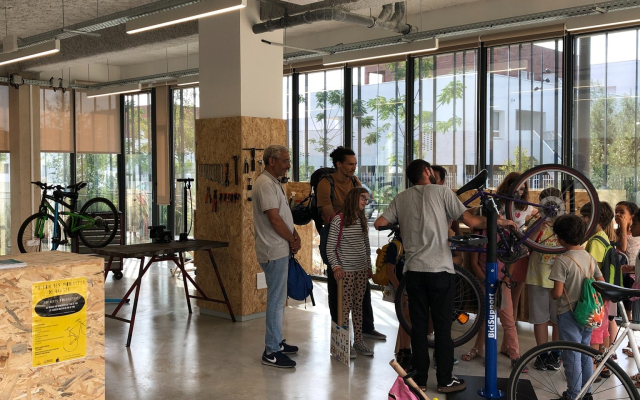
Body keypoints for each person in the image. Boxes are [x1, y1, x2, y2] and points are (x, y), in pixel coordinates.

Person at [374, 159, 516, 393]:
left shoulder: (402, 197)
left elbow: (379, 223)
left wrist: (404, 224)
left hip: (414, 272)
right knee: (441, 328)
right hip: (440, 270)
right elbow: (471, 221)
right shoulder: (442, 192)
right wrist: (498, 221)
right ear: (427, 171)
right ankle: (445, 380)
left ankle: (419, 379)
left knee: (418, 327)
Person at [317, 146, 386, 341]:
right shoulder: (325, 183)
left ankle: (367, 327)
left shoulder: (355, 182)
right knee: (336, 285)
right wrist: (349, 216)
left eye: (355, 164)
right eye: (350, 164)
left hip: (354, 234)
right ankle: (339, 331)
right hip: (336, 235)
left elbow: (360, 208)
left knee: (362, 286)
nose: (354, 167)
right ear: (339, 164)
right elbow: (330, 214)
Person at [252, 145, 301, 368]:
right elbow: (274, 219)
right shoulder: (264, 184)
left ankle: (276, 342)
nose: (288, 165)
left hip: (279, 248)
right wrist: (291, 239)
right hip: (273, 250)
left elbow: (283, 215)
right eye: (285, 161)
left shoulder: (274, 183)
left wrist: (294, 235)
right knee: (276, 301)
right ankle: (271, 351)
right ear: (271, 161)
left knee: (279, 300)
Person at [549, 214, 604, 400]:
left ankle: (573, 395)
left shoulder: (562, 261)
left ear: (561, 238)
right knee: (585, 352)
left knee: (571, 355)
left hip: (569, 313)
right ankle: (586, 392)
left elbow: (557, 293)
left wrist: (552, 294)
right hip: (588, 313)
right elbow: (601, 281)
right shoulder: (589, 257)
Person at [462, 207, 522, 370]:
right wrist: (484, 279)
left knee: (508, 320)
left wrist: (507, 278)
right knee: (484, 319)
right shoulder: (480, 235)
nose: (499, 217)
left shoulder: (506, 234)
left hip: (502, 284)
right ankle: (478, 349)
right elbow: (474, 262)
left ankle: (515, 356)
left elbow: (512, 258)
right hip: (485, 282)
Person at [327, 187, 374, 357]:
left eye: (367, 199)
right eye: (362, 198)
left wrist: (368, 266)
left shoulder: (362, 219)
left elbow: (366, 246)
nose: (365, 202)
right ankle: (343, 343)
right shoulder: (339, 220)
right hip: (346, 272)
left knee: (358, 306)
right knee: (344, 308)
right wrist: (336, 267)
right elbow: (330, 248)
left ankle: (359, 341)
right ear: (353, 198)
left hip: (361, 271)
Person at [524, 188, 561, 371]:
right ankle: (542, 353)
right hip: (537, 277)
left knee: (558, 319)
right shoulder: (535, 221)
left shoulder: (564, 223)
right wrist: (538, 227)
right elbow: (526, 243)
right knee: (539, 318)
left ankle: (555, 354)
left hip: (559, 279)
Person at [496, 172, 537, 325]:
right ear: (508, 186)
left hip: (518, 251)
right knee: (500, 293)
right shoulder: (498, 203)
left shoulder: (524, 205)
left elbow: (538, 213)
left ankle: (509, 334)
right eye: (518, 188)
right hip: (501, 249)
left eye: (523, 189)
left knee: (514, 296)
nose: (520, 192)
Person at [582, 202, 617, 374]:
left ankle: (593, 370)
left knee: (594, 333)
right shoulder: (604, 237)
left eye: (585, 217)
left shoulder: (595, 241)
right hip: (605, 294)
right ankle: (604, 365)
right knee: (603, 331)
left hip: (595, 295)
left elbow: (592, 269)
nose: (583, 220)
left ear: (595, 218)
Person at [615, 201, 640, 322]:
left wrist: (624, 227)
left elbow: (623, 248)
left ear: (632, 216)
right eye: (616, 212)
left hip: (635, 277)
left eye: (622, 212)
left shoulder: (629, 232)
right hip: (628, 273)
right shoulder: (617, 233)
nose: (618, 215)